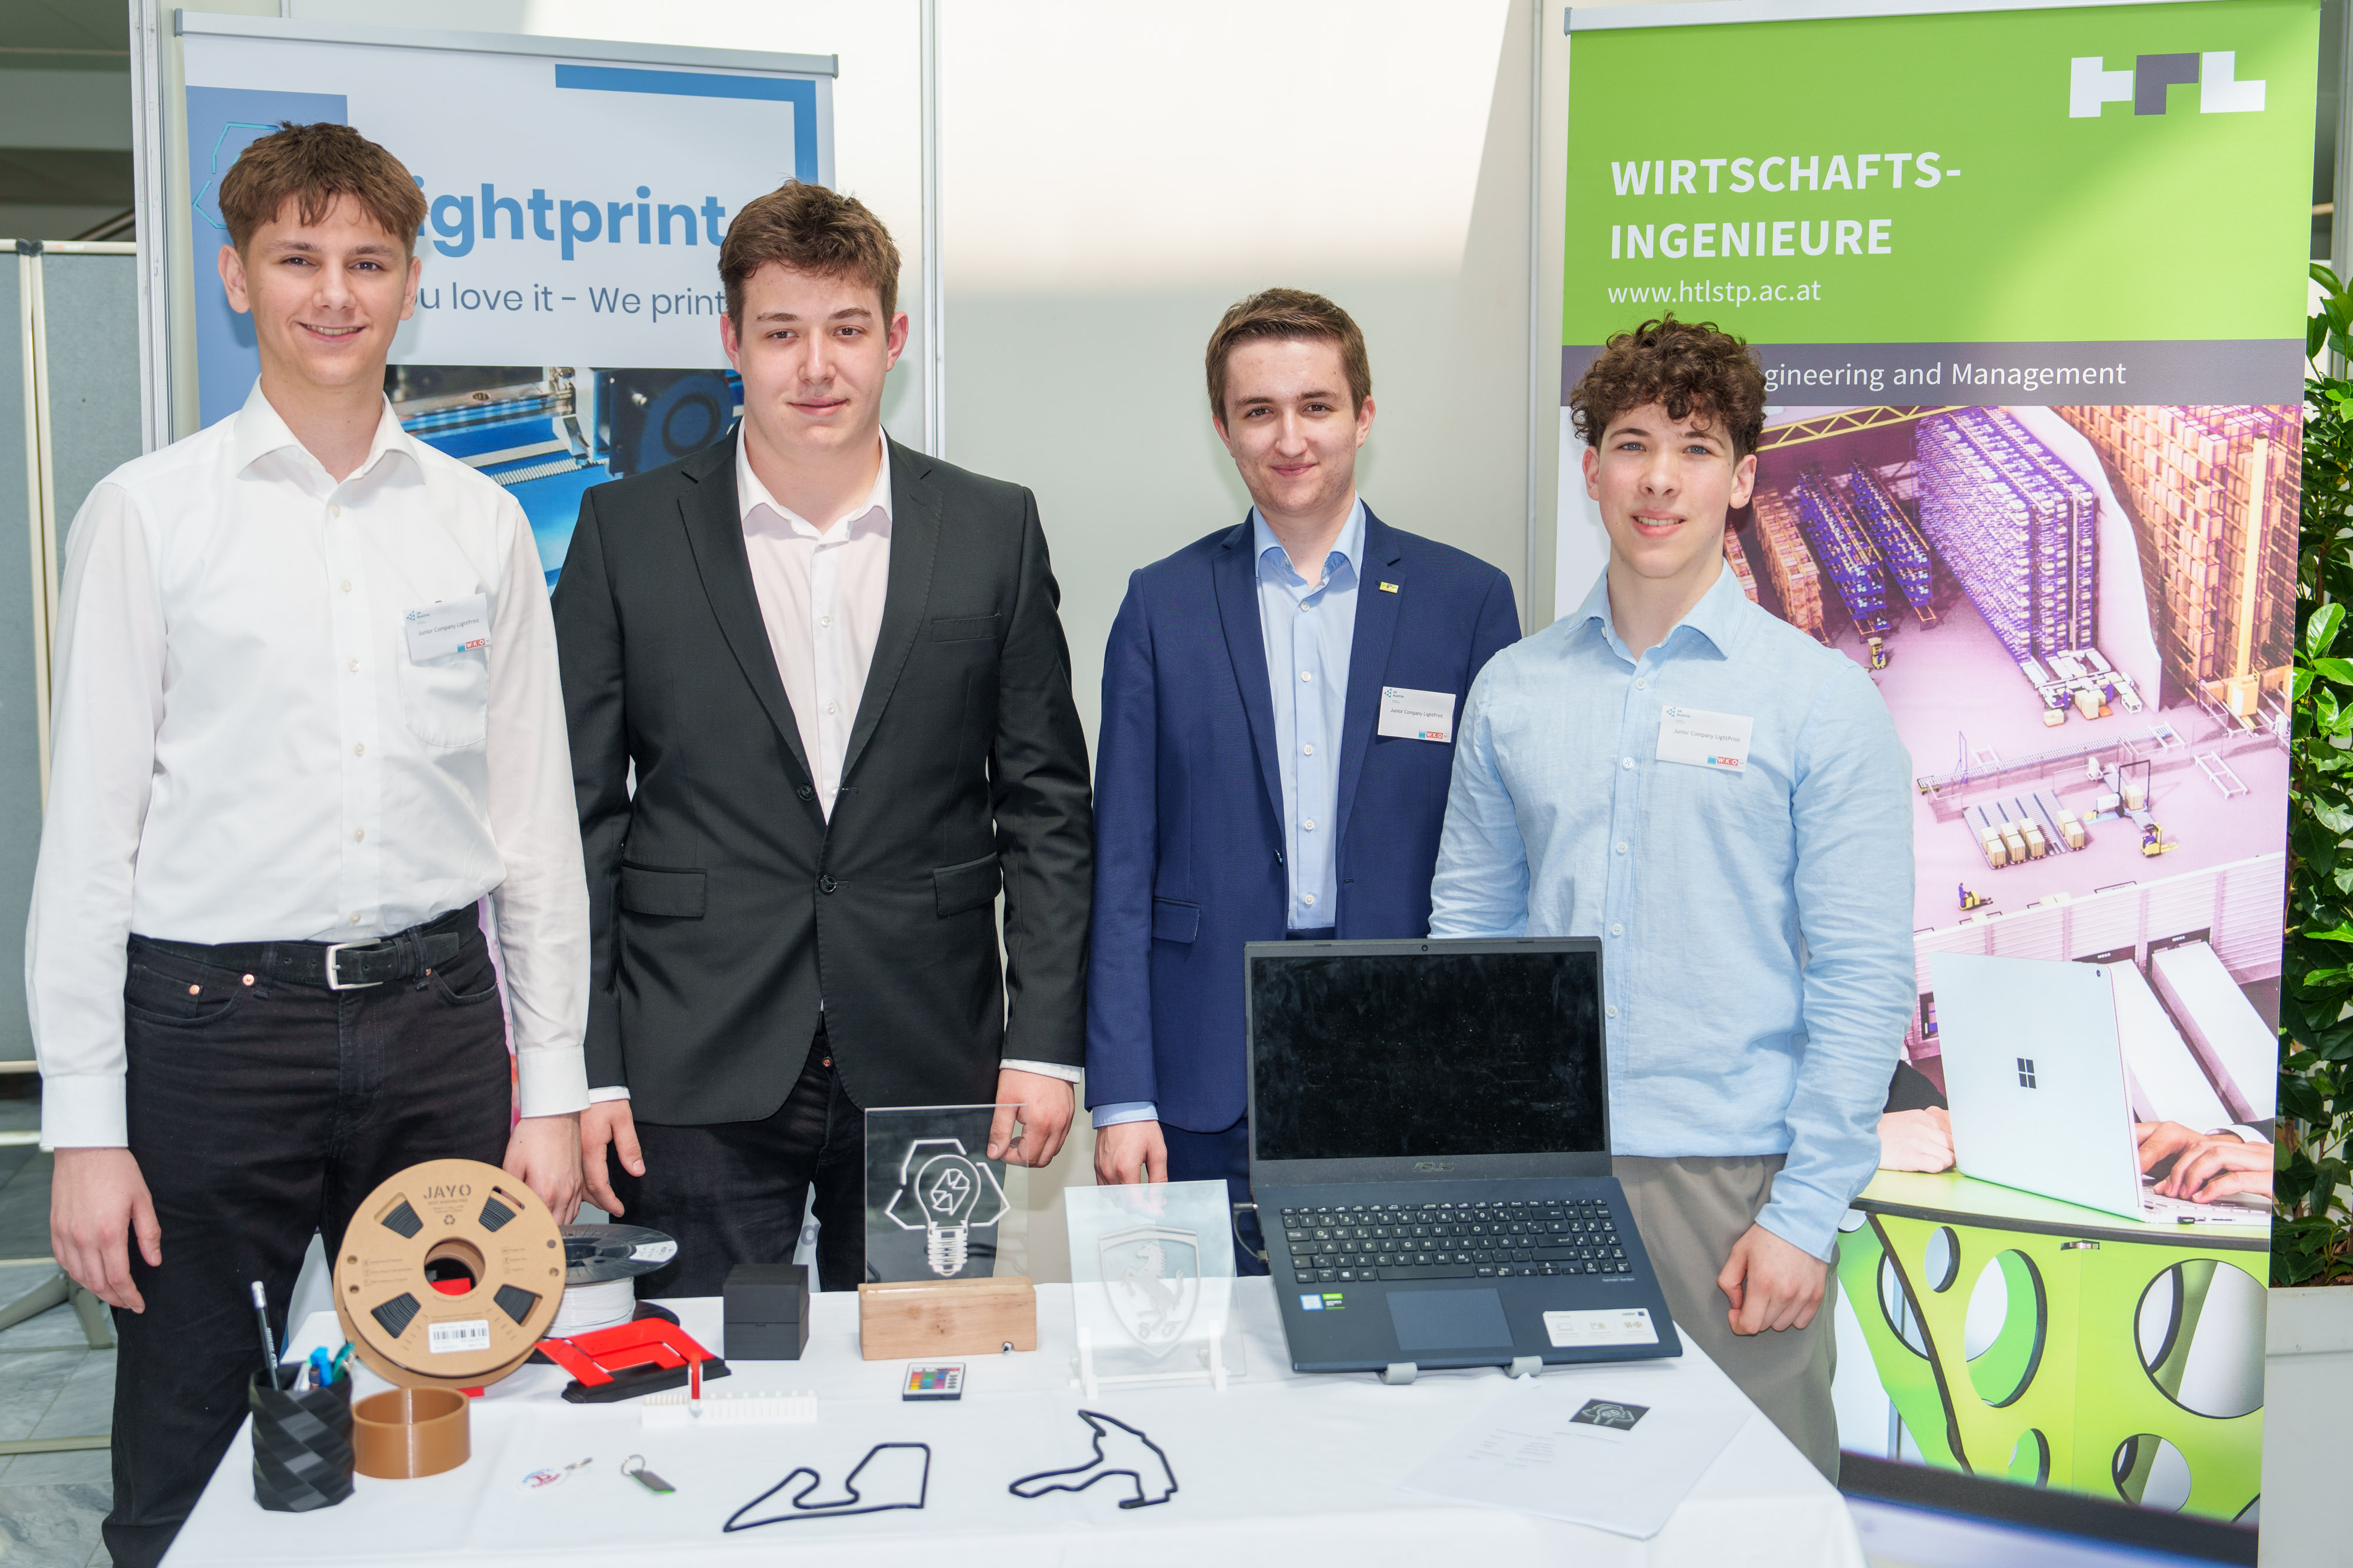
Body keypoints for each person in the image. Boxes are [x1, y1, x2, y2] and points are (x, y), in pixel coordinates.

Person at [28, 122, 589, 1567]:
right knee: (186, 1440)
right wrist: (86, 1128)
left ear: (410, 284)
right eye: (297, 259)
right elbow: (87, 843)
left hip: (439, 1024)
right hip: (212, 1036)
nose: (333, 294)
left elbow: (532, 829)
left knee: (455, 1412)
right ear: (237, 277)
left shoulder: (480, 524)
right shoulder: (148, 516)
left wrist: (552, 1086)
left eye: (367, 262)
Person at [552, 182, 1092, 1296]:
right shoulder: (624, 533)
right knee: (703, 1376)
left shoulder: (993, 527)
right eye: (781, 333)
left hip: (931, 1049)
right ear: (731, 343)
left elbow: (1046, 807)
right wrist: (590, 1067)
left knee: (930, 1371)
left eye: (846, 330)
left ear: (894, 338)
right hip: (691, 1056)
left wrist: (1042, 1044)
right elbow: (578, 822)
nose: (816, 367)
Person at [1427, 315, 1914, 1480]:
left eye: (1695, 448)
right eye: (1631, 443)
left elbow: (1862, 979)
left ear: (1741, 479)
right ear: (1590, 469)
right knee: (1546, 1502)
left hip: (1734, 1191)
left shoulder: (1819, 702)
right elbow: (1469, 948)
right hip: (1545, 1179)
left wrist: (1803, 1215)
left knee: (1752, 1517)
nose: (1659, 479)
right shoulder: (1511, 691)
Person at [1087, 288, 1520, 1270]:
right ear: (1223, 429)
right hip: (1202, 1078)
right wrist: (1121, 1096)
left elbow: (1500, 863)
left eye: (1316, 405)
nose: (1290, 438)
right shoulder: (1160, 605)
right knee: (1207, 1354)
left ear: (1364, 415)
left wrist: (1487, 1078)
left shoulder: (1468, 603)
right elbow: (1120, 865)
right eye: (1259, 411)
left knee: (1394, 1348)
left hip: (1404, 1057)